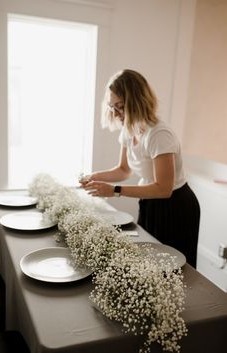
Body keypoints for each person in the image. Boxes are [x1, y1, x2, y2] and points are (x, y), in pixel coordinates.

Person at [80, 69, 200, 268]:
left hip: (175, 207)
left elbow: (163, 188)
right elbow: (123, 170)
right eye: (112, 107)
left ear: (137, 101)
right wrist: (93, 176)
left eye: (120, 107)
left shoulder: (159, 134)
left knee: (174, 270)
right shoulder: (129, 129)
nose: (116, 114)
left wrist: (115, 191)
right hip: (150, 202)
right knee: (147, 261)